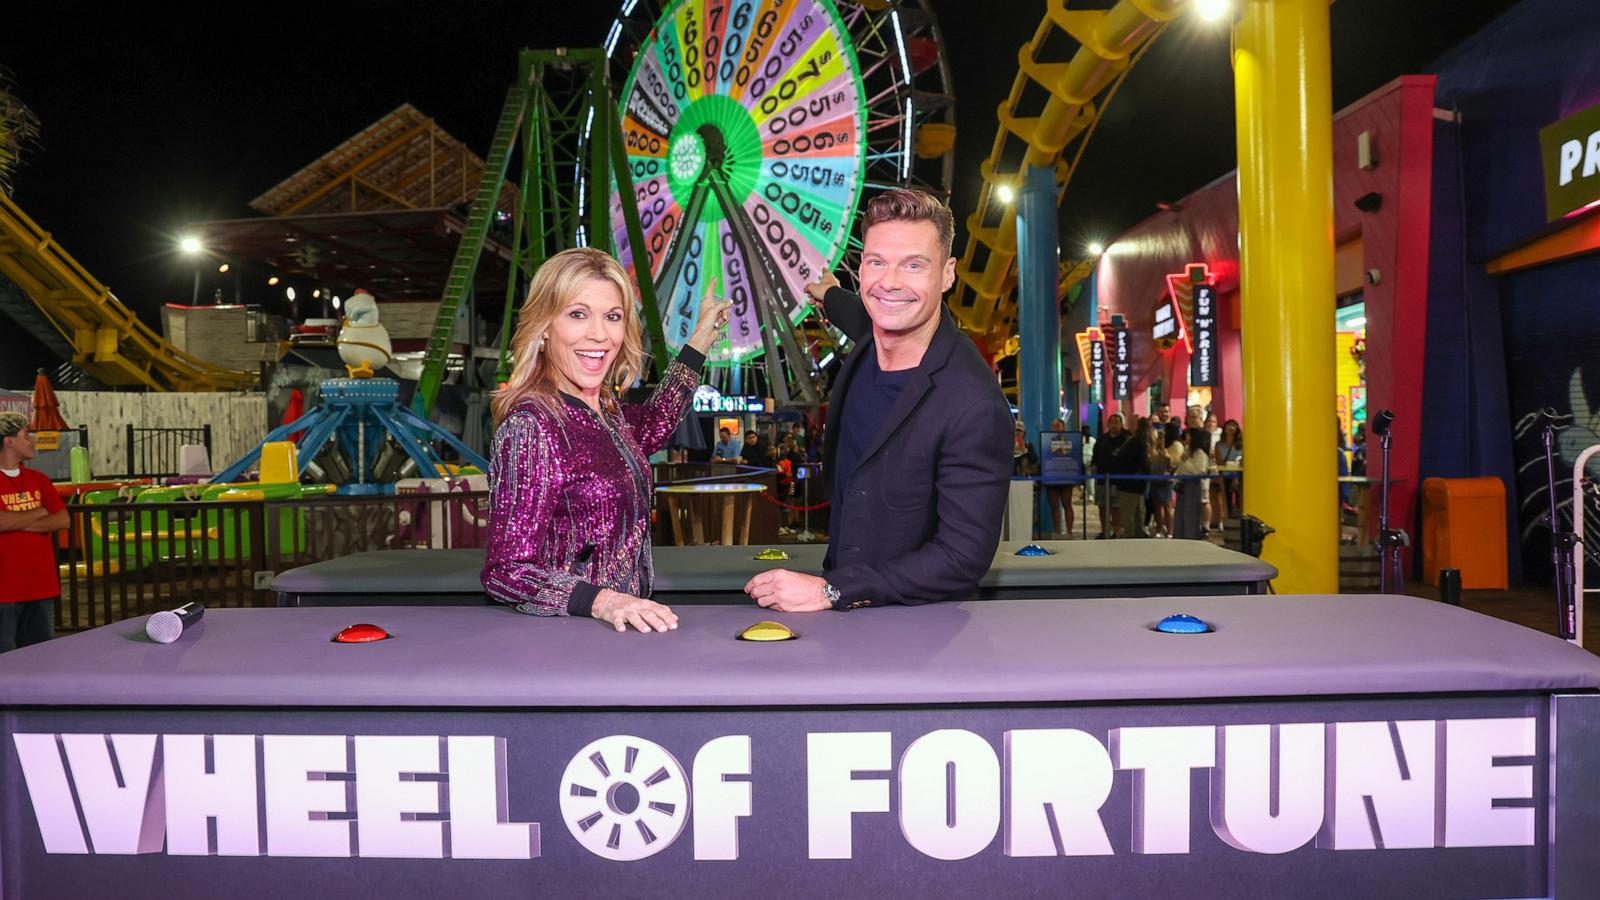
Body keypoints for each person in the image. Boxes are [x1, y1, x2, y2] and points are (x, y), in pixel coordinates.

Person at [748, 188, 1013, 610]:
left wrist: (831, 590)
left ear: (947, 274)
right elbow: (861, 310)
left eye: (913, 265)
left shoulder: (972, 404)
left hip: (920, 633)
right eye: (876, 262)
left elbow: (963, 557)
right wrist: (829, 293)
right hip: (843, 623)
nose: (890, 283)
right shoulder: (871, 335)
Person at [481, 247, 731, 634]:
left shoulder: (604, 409)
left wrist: (700, 339)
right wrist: (602, 601)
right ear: (545, 327)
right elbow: (506, 571)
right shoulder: (533, 426)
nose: (599, 334)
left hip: (625, 633)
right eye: (578, 314)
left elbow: (653, 425)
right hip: (572, 642)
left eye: (612, 317)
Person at [0, 412, 68, 652]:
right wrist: (39, 512)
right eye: (26, 435)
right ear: (9, 441)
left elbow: (62, 519)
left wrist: (14, 521)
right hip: (4, 589)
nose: (32, 441)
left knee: (41, 658)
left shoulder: (38, 479)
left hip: (40, 585)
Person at [1089, 414, 1129, 537]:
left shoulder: (1126, 438)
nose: (1114, 425)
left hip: (1118, 480)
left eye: (1117, 422)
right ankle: (1105, 530)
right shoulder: (1102, 439)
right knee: (1102, 506)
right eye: (1112, 422)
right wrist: (1094, 465)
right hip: (1102, 479)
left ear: (1121, 424)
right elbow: (1095, 455)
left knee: (1116, 507)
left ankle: (1117, 530)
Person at [1174, 426, 1213, 540]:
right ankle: (1180, 536)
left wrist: (1186, 462)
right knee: (1181, 513)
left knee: (1190, 513)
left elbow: (1199, 470)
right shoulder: (1187, 450)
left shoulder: (1200, 453)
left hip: (1193, 484)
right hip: (1183, 485)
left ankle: (1190, 537)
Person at [1044, 418, 1074, 538]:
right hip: (1052, 477)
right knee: (1054, 505)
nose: (1055, 428)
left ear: (1063, 427)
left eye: (1057, 426)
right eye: (1053, 426)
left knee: (1067, 504)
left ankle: (1069, 532)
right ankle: (1057, 531)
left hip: (1066, 476)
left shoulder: (1069, 439)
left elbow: (1070, 453)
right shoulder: (1048, 440)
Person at [1214, 419, 1243, 517]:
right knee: (1227, 500)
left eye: (1234, 426)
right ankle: (1228, 518)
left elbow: (1243, 460)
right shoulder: (1219, 445)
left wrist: (1236, 477)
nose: (1231, 428)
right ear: (1224, 429)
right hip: (1225, 476)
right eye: (1229, 425)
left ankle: (1240, 516)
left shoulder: (1241, 444)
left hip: (1239, 476)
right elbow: (1219, 462)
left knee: (1240, 499)